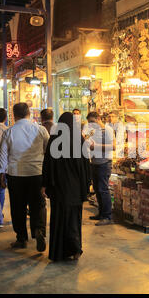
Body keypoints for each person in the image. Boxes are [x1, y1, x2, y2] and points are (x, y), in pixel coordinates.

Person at [0, 103, 49, 252]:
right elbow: (49, 150)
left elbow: (3, 155)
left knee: (18, 206)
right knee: (38, 204)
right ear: (29, 113)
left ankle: (21, 238)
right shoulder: (41, 130)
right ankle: (39, 231)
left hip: (16, 175)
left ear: (14, 115)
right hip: (37, 173)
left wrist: (2, 173)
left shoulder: (9, 132)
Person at [42, 112, 90, 261]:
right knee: (74, 219)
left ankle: (58, 252)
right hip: (75, 189)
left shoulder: (54, 139)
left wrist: (45, 184)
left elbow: (47, 165)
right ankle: (75, 248)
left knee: (59, 218)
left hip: (59, 188)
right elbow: (86, 167)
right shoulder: (79, 140)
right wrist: (86, 185)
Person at [86, 112, 116, 226]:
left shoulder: (107, 130)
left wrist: (96, 146)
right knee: (97, 189)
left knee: (103, 189)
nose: (91, 125)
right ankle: (101, 213)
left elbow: (113, 147)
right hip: (94, 162)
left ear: (99, 119)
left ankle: (107, 216)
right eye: (89, 123)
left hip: (104, 163)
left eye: (93, 122)